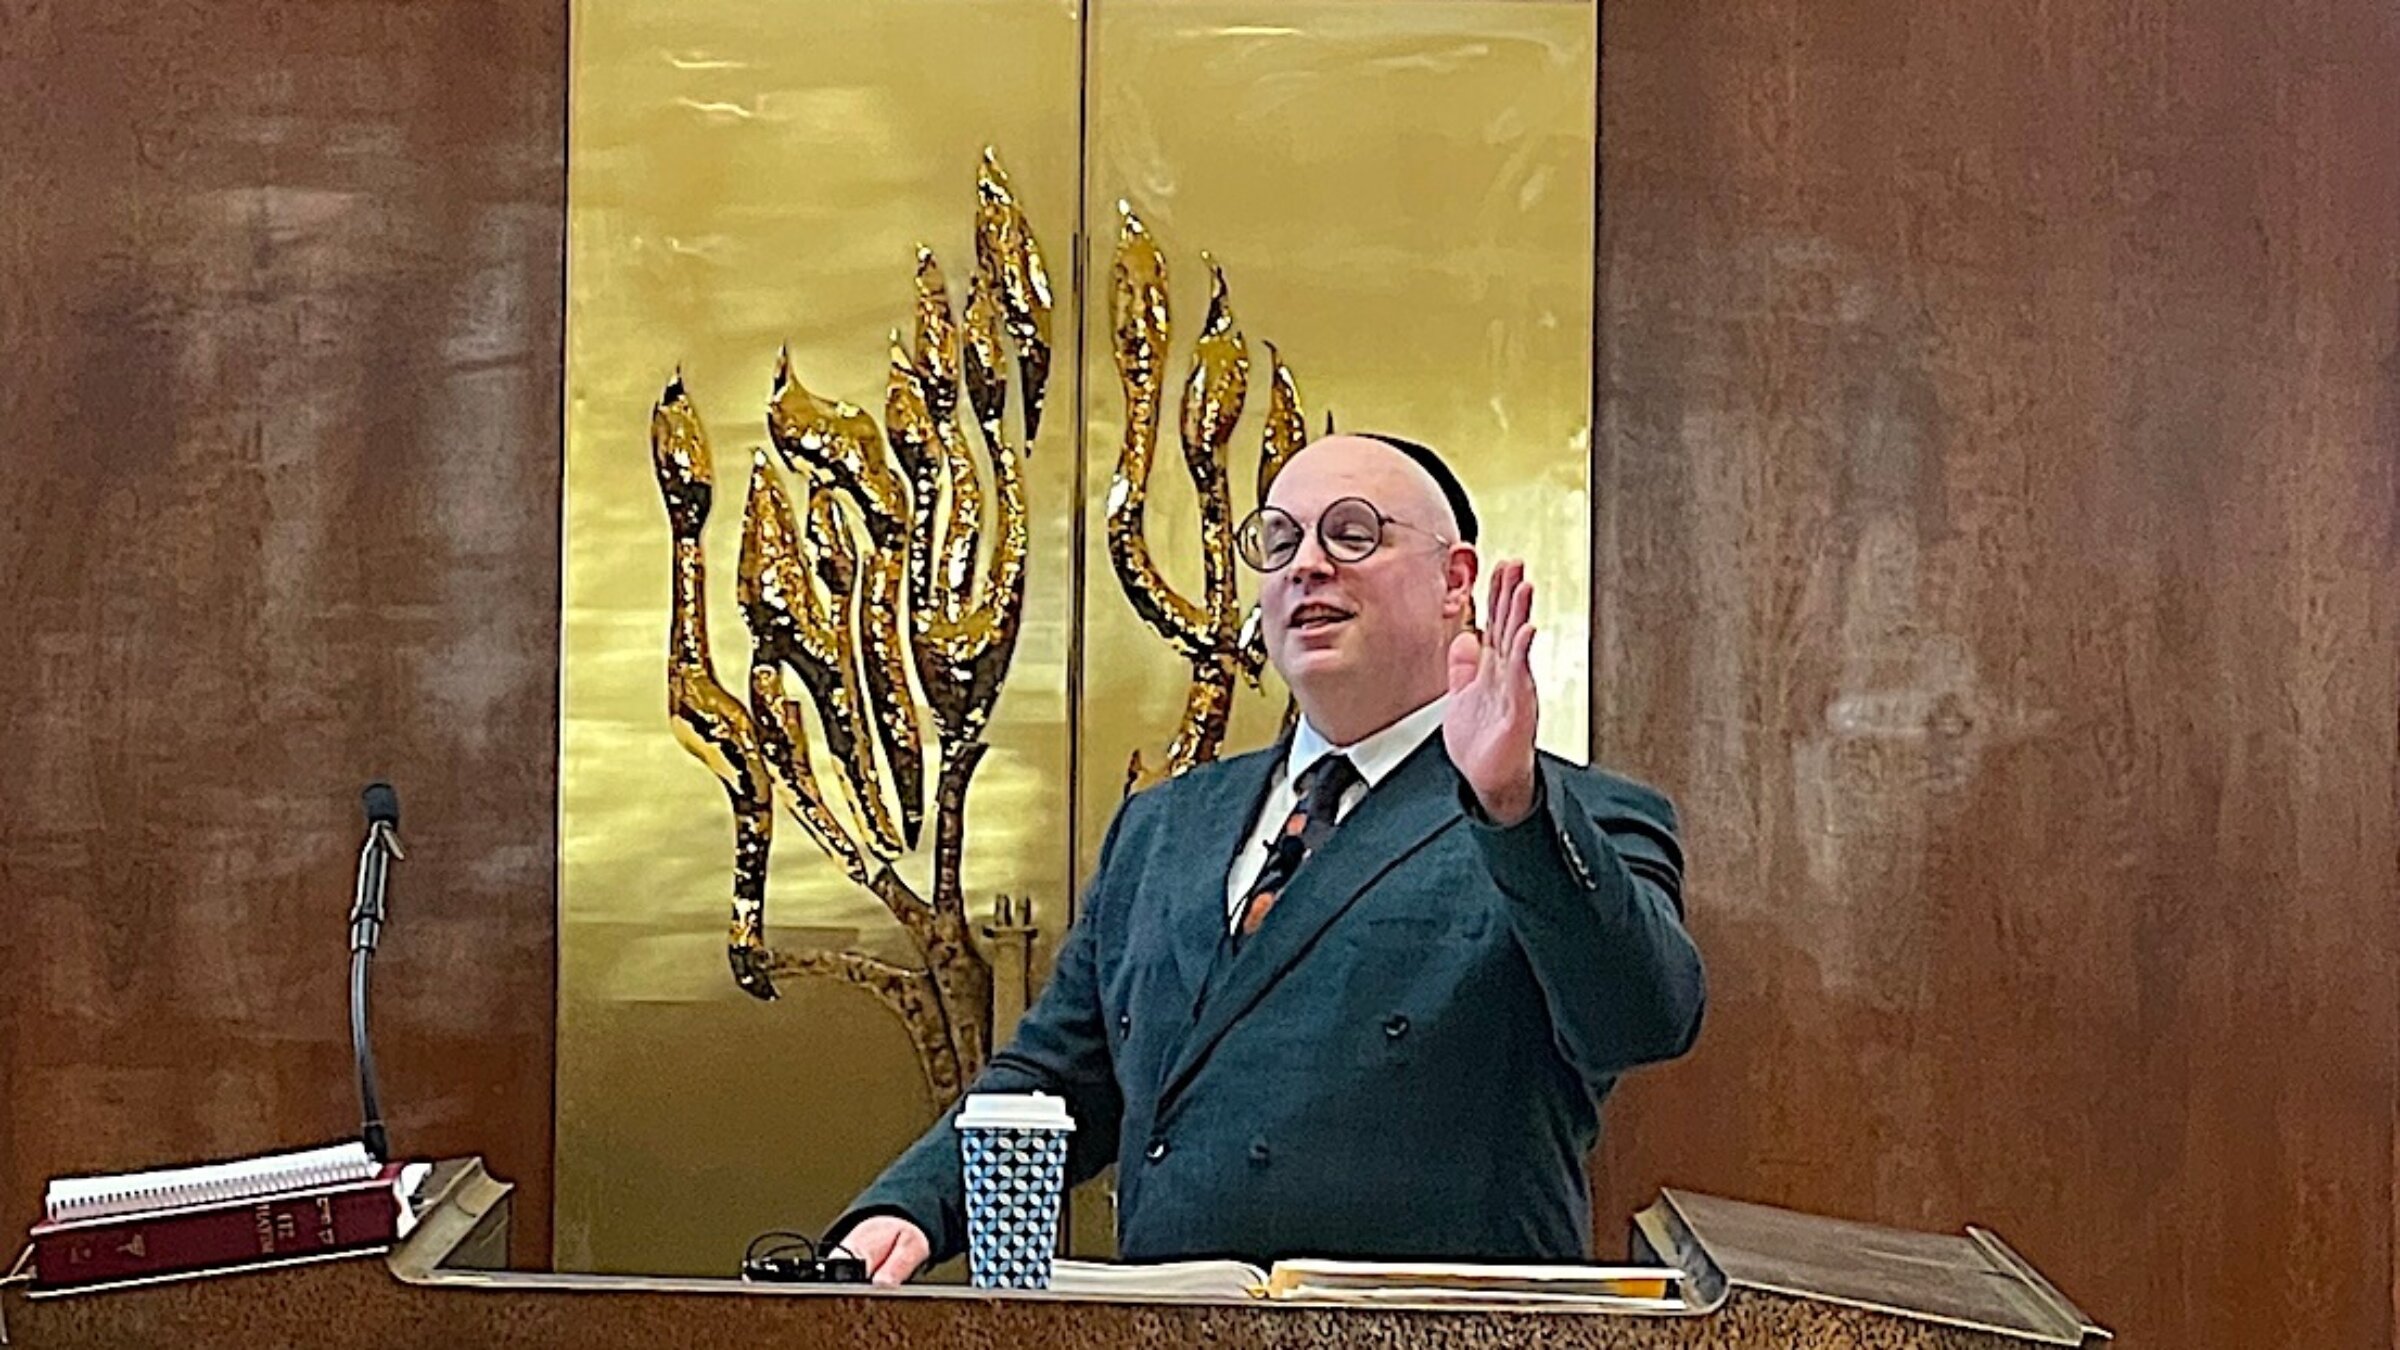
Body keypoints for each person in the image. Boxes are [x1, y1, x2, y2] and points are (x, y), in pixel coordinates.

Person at [829, 432, 1704, 1283]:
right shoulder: (1167, 826)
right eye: (1279, 539)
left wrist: (1512, 805)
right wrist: (906, 1208)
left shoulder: (1570, 816)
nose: (1306, 565)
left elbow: (1641, 1020)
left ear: (1455, 582)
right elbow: (1057, 1077)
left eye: (1353, 533)